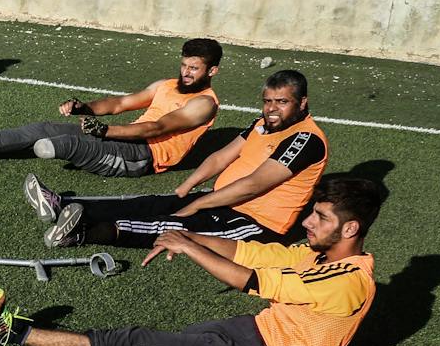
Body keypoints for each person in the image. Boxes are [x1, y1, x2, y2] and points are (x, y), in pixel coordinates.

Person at [0, 174, 384, 346]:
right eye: (312, 213)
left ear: (351, 227)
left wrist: (189, 249)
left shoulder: (348, 282)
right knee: (172, 343)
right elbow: (248, 253)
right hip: (255, 330)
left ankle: (9, 332)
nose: (308, 222)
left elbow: (251, 279)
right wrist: (188, 237)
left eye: (321, 218)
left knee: (128, 341)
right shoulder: (315, 255)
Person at [36, 69, 326, 250]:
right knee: (154, 202)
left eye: (282, 102)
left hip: (254, 222)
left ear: (302, 103)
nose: (272, 109)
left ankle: (80, 234)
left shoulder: (305, 139)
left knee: (167, 225)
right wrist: (187, 188)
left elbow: (253, 185)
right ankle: (63, 205)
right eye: (268, 101)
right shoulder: (261, 123)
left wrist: (198, 203)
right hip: (224, 199)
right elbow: (221, 157)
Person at [0, 38, 224, 179]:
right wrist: (84, 108)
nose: (186, 72)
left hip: (143, 156)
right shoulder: (166, 84)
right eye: (184, 65)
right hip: (120, 137)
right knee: (43, 129)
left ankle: (58, 169)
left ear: (212, 70)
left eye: (194, 69)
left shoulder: (204, 104)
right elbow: (120, 103)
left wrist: (105, 131)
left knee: (60, 144)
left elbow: (157, 127)